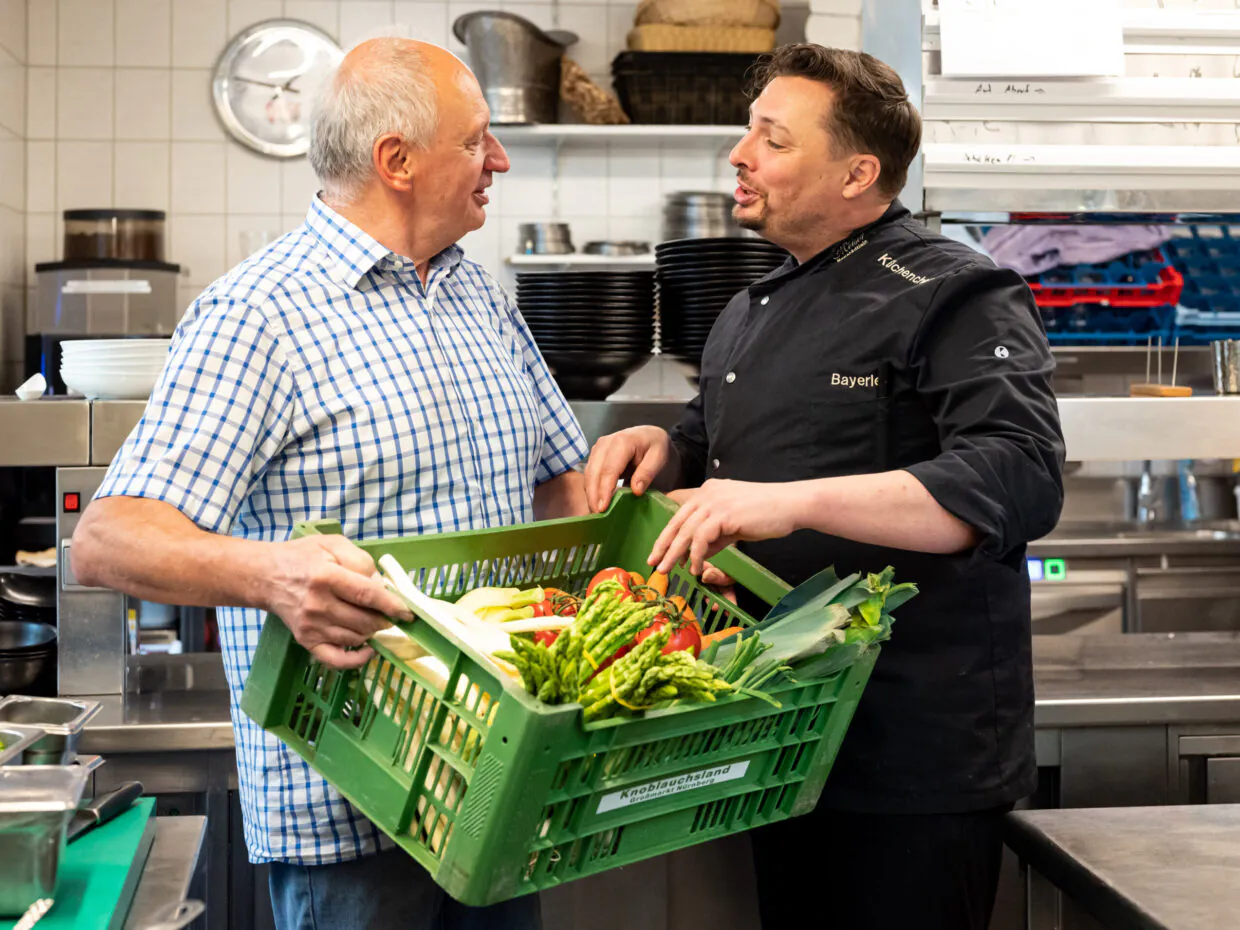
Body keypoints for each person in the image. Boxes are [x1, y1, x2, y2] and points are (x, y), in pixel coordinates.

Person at [71, 38, 589, 930]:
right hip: (349, 817)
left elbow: (559, 489)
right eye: (476, 141)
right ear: (397, 160)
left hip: (496, 790)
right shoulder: (258, 314)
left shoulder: (481, 299)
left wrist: (655, 502)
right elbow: (109, 538)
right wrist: (273, 576)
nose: (497, 160)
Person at [584, 44, 1065, 930]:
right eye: (747, 133)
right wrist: (665, 446)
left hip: (911, 754)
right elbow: (725, 447)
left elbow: (1018, 476)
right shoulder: (750, 306)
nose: (740, 154)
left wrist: (788, 502)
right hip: (780, 729)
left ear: (858, 173)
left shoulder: (959, 290)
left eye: (772, 138)